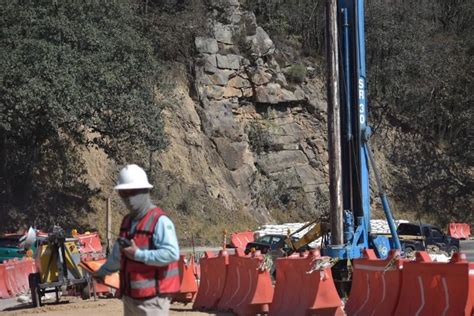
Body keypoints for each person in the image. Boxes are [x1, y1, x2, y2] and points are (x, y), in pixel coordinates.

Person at [95, 164, 180, 316]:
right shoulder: (127, 222)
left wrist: (139, 255)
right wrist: (102, 272)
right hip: (131, 298)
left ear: (145, 191)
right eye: (123, 193)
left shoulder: (160, 221)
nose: (128, 198)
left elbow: (171, 254)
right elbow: (118, 256)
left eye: (132, 192)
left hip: (154, 300)